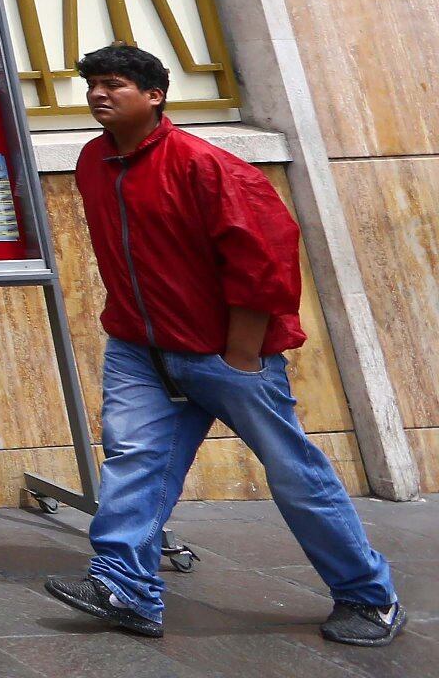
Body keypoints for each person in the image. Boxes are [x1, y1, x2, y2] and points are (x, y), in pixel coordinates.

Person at [43, 45, 405, 648]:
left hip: (226, 355)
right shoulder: (92, 161)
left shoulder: (208, 167)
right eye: (93, 87)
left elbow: (264, 264)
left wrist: (239, 354)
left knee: (294, 475)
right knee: (134, 463)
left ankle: (370, 598)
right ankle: (124, 588)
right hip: (139, 349)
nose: (99, 96)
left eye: (113, 85)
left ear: (154, 95)